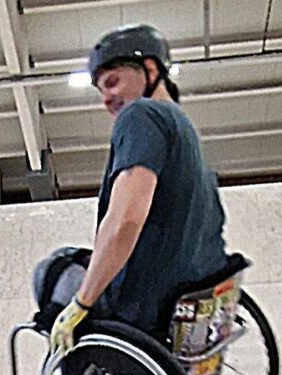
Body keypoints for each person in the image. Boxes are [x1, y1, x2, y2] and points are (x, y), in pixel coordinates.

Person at [34, 23, 230, 356]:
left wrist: (81, 304)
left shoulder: (141, 116)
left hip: (145, 305)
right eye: (100, 90)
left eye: (112, 82)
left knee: (53, 271)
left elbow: (126, 219)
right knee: (81, 261)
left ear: (150, 69)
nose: (106, 99)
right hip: (187, 292)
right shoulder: (183, 129)